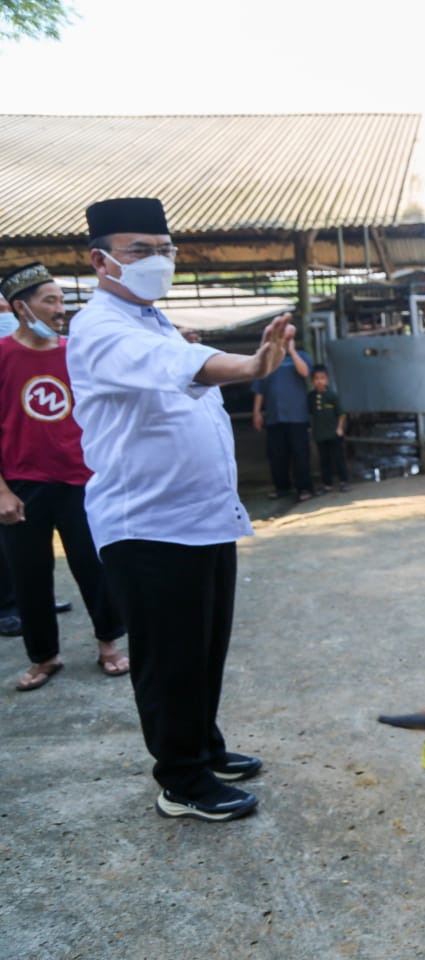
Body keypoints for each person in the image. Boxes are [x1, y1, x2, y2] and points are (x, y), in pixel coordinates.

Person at [67, 196, 294, 822]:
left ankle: (204, 745)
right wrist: (250, 363)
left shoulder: (153, 319)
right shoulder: (101, 328)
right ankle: (182, 780)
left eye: (165, 249)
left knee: (204, 648)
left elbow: (175, 360)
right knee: (169, 658)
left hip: (199, 518)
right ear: (101, 260)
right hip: (148, 525)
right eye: (140, 249)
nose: (157, 260)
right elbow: (171, 368)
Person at [0, 263, 128, 691]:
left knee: (95, 567)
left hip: (82, 480)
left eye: (61, 300)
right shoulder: (2, 356)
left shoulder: (77, 352)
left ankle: (109, 643)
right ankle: (44, 657)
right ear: (22, 307)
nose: (60, 309)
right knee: (29, 574)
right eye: (49, 300)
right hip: (22, 485)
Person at [251, 327, 314, 502]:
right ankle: (282, 488)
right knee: (277, 455)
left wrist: (292, 351)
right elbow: (259, 389)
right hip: (274, 416)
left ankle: (304, 488)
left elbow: (305, 373)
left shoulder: (301, 355)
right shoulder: (268, 359)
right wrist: (256, 412)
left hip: (297, 416)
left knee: (300, 453)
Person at [308, 364, 349, 493]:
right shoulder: (311, 397)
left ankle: (344, 481)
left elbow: (341, 414)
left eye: (322, 378)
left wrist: (340, 428)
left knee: (338, 458)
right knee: (324, 460)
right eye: (316, 378)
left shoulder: (332, 395)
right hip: (320, 434)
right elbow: (309, 413)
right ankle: (327, 484)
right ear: (312, 381)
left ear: (327, 379)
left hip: (334, 433)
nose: (319, 381)